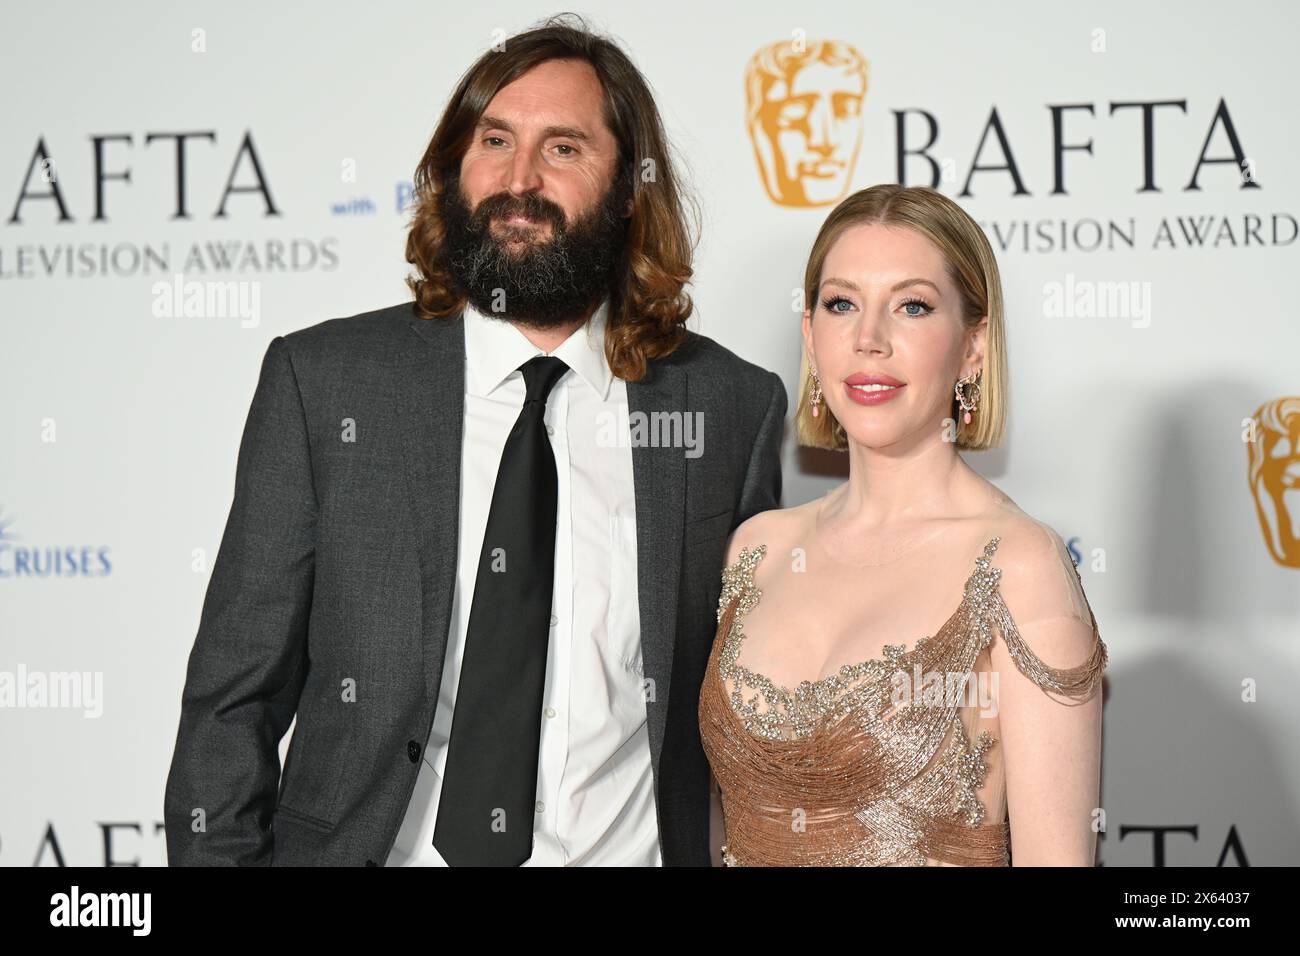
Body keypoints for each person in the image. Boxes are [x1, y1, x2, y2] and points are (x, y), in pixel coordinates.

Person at [163, 15, 786, 867]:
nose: (518, 179)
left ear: (632, 188)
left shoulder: (728, 408)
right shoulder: (327, 383)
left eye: (563, 149)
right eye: (495, 139)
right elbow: (233, 701)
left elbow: (742, 720)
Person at [698, 184, 1108, 866]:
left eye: (912, 306)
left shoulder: (1020, 566)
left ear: (973, 347)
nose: (868, 340)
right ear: (810, 334)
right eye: (841, 304)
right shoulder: (757, 548)